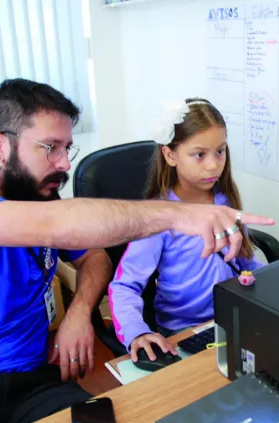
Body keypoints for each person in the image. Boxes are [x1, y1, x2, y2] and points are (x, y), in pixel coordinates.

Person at [0, 80, 273, 423]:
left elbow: (94, 255)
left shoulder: (41, 199)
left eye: (67, 148)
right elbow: (60, 226)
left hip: (31, 381)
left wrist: (79, 312)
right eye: (50, 148)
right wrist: (179, 215)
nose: (65, 163)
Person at [108, 98, 264, 363]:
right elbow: (124, 286)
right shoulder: (157, 219)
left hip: (230, 317)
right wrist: (136, 332)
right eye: (199, 154)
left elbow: (244, 260)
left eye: (220, 151)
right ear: (170, 155)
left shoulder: (225, 201)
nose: (214, 165)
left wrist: (276, 280)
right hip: (184, 330)